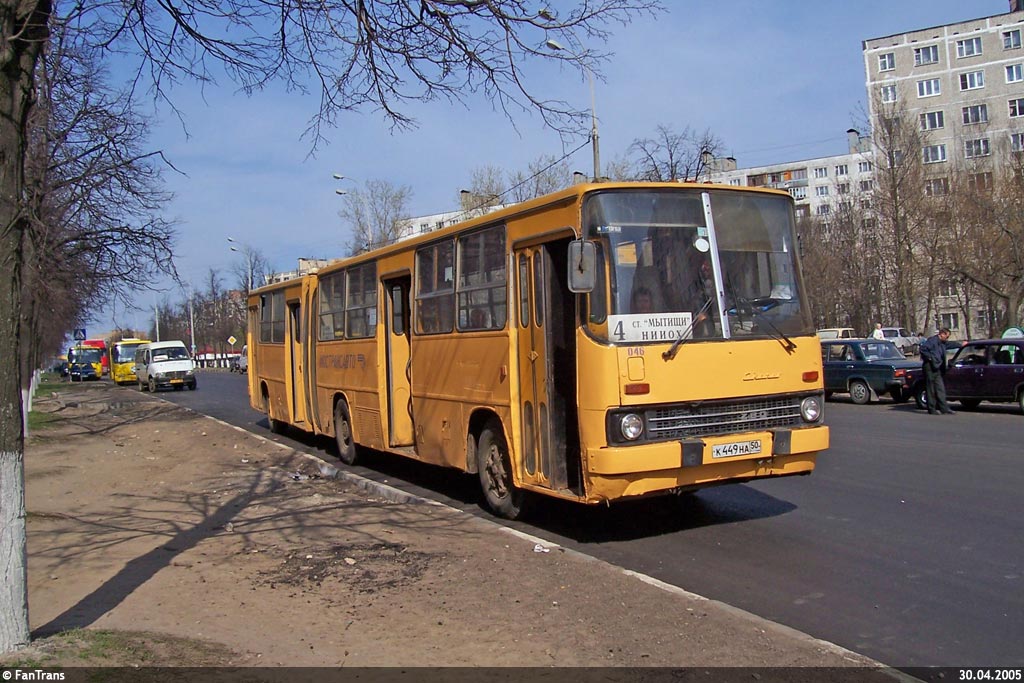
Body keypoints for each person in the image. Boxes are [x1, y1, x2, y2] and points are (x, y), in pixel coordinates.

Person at [920, 327, 955, 415]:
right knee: (931, 389)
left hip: (938, 368)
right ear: (942, 334)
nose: (947, 339)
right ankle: (932, 409)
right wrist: (931, 358)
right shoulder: (932, 341)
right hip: (930, 367)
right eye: (946, 337)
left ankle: (944, 408)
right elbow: (923, 349)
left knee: (940, 388)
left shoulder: (942, 343)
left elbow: (950, 345)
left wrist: (961, 344)